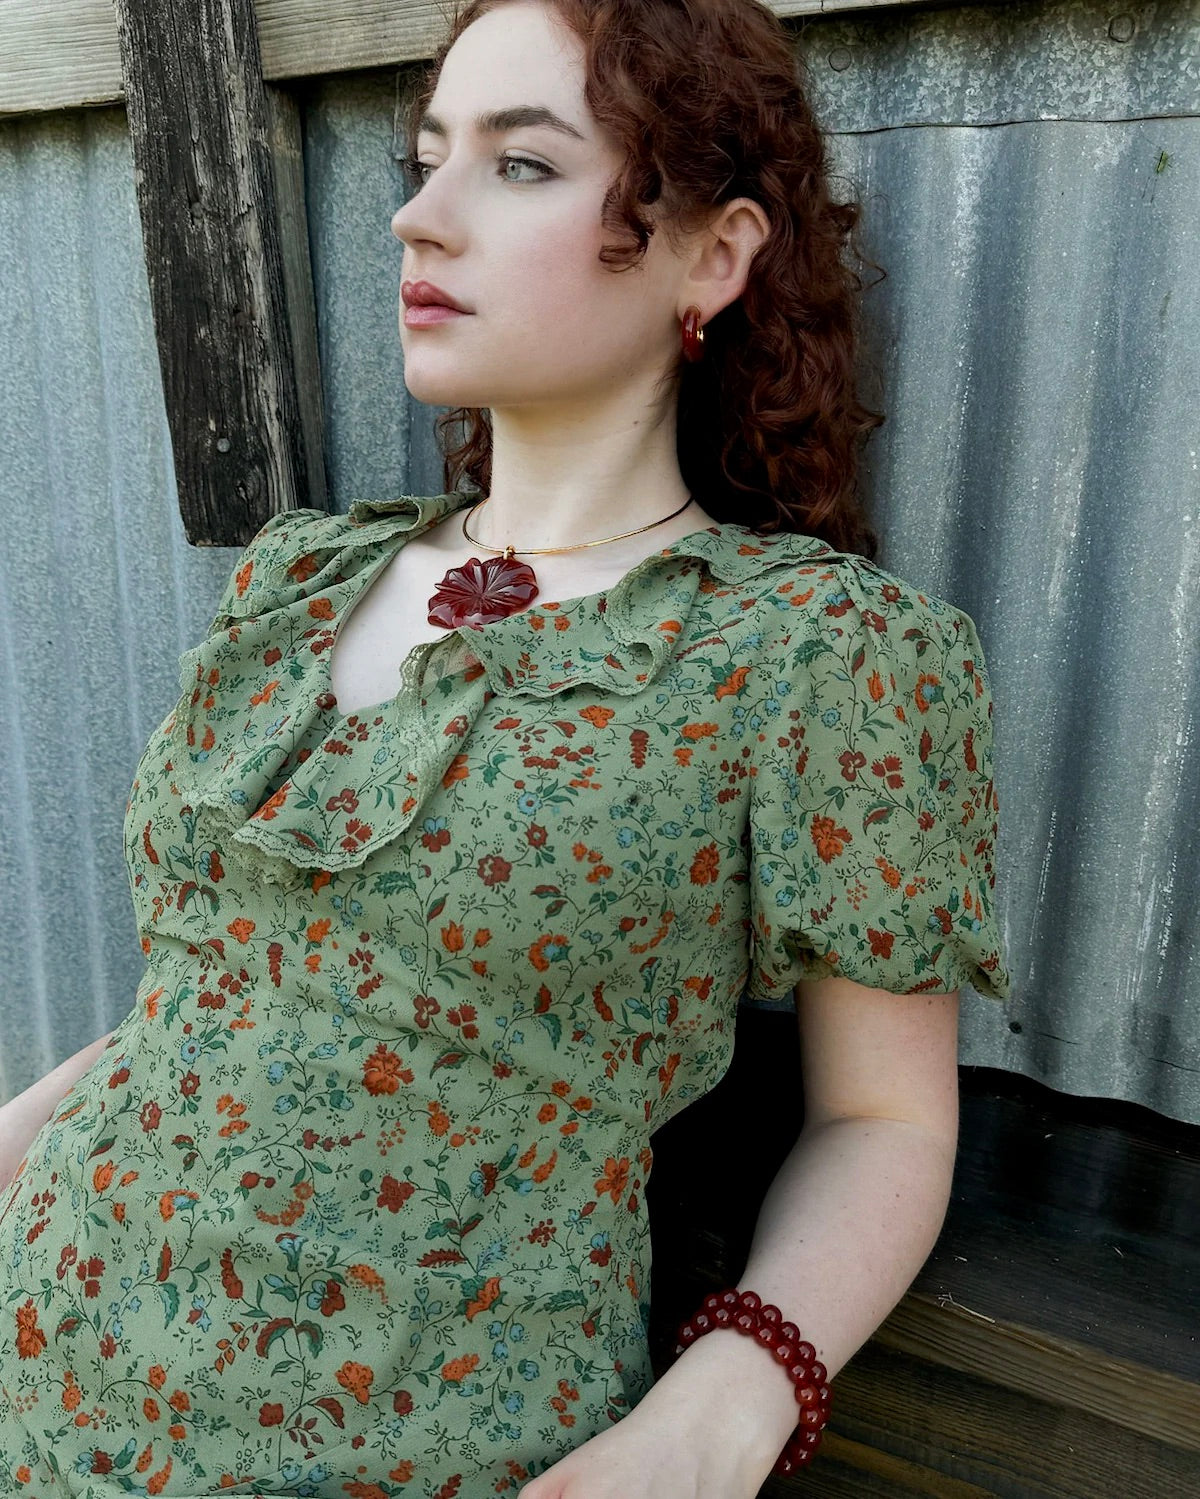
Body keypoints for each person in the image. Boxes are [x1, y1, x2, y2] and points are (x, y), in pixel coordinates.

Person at [0, 0, 1010, 1494]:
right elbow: (222, 992)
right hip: (43, 1373)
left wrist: (717, 1416)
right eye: (426, 160)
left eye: (520, 166)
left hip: (428, 1446)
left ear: (711, 256)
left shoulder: (816, 653)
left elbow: (884, 1118)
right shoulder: (300, 583)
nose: (418, 216)